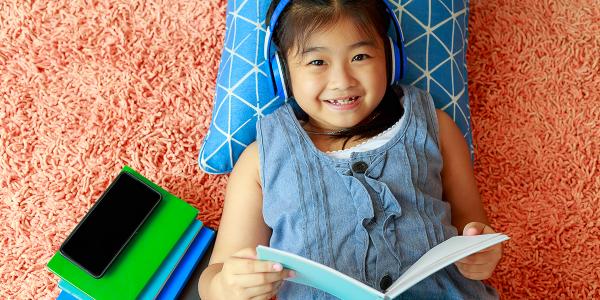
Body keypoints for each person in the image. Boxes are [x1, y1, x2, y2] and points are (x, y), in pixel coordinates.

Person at [199, 0, 503, 299]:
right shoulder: (258, 161)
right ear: (283, 73)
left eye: (360, 56)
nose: (342, 81)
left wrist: (481, 253)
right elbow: (214, 277)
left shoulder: (435, 127)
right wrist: (228, 286)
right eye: (317, 62)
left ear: (390, 57)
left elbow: (472, 225)